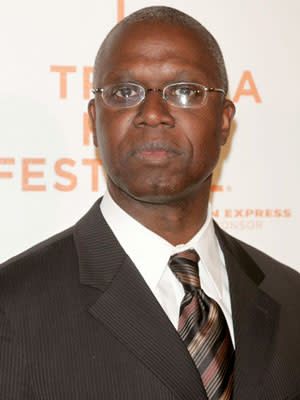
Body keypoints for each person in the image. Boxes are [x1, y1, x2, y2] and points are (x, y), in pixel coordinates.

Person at [1, 6, 299, 400]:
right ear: (94, 120)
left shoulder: (291, 298)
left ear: (224, 121)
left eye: (185, 91)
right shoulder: (11, 309)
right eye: (125, 93)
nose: (153, 114)